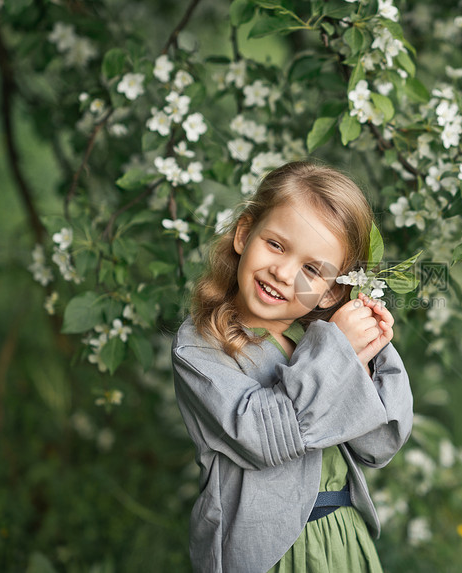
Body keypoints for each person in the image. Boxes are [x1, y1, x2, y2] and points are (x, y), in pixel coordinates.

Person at [172, 161, 414, 573]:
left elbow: (379, 444)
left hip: (340, 540)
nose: (283, 273)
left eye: (312, 270)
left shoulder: (315, 340)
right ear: (245, 234)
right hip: (266, 553)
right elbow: (264, 437)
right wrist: (336, 354)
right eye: (276, 245)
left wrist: (366, 357)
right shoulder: (202, 345)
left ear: (329, 291)